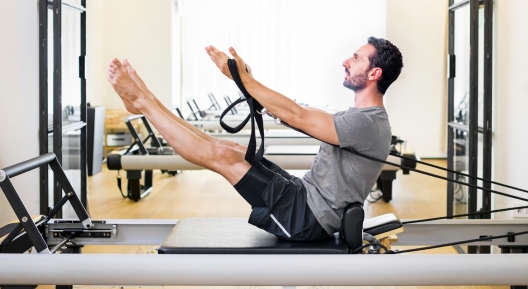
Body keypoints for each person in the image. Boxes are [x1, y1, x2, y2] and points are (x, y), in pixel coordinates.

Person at [106, 36, 403, 242]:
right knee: (232, 149)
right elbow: (295, 113)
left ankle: (143, 104)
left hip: (307, 219)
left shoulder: (368, 124)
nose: (345, 61)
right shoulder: (359, 117)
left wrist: (243, 79)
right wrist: (247, 83)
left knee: (222, 158)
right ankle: (147, 102)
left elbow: (298, 115)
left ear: (375, 72)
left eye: (355, 58)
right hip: (304, 197)